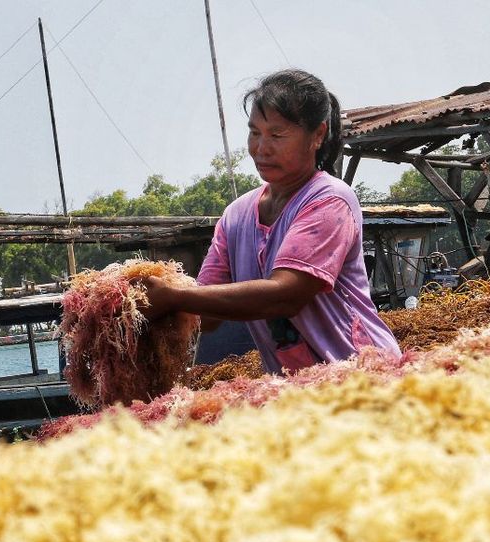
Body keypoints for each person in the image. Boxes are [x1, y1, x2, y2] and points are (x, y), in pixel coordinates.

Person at [141, 69, 400, 374]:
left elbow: (285, 297)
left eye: (277, 135)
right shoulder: (236, 215)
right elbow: (206, 317)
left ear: (317, 135)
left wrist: (174, 297)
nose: (261, 148)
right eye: (255, 133)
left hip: (362, 375)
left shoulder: (329, 200)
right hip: (294, 391)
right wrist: (138, 305)